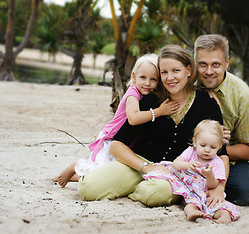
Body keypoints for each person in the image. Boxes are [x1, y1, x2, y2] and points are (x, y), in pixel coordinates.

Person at [77, 45, 229, 208]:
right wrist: (147, 168)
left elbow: (222, 154)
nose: (170, 77)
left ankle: (132, 190)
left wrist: (220, 188)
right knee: (88, 189)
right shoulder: (151, 101)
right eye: (164, 72)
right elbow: (116, 145)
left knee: (155, 194)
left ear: (189, 70)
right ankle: (132, 187)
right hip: (139, 164)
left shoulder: (208, 104)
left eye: (176, 70)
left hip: (176, 173)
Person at [52, 54, 179, 188]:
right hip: (111, 139)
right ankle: (74, 167)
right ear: (134, 76)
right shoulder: (133, 93)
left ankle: (72, 177)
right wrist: (159, 112)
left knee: (104, 174)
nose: (147, 83)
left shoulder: (145, 94)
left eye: (153, 79)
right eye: (143, 77)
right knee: (100, 169)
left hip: (123, 142)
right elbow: (133, 118)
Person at [194, 34, 249, 206]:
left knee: (244, 191)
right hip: (189, 158)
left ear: (227, 63)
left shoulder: (242, 95)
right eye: (203, 64)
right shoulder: (185, 84)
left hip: (228, 161)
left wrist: (216, 148)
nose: (209, 71)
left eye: (215, 64)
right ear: (195, 63)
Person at [142, 120, 240, 224]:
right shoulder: (191, 151)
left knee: (218, 205)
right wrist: (187, 165)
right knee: (190, 202)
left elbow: (213, 185)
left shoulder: (217, 163)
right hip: (190, 189)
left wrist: (209, 175)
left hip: (205, 192)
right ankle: (192, 212)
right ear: (195, 142)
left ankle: (224, 215)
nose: (207, 150)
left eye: (213, 147)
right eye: (203, 145)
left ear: (219, 146)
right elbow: (176, 164)